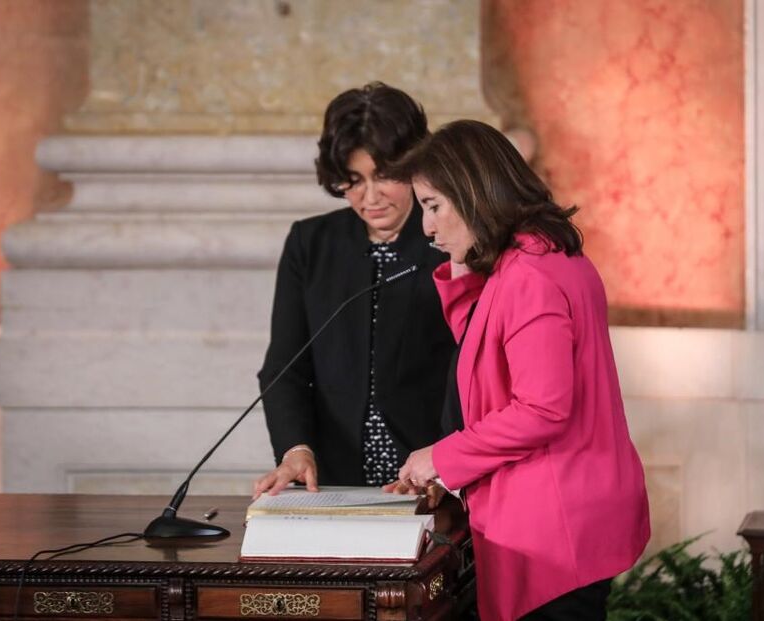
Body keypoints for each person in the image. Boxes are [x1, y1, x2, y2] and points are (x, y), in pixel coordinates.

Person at [389, 120, 650, 620]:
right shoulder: (537, 259)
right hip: (564, 511)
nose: (426, 227)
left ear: (472, 192)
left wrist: (440, 458)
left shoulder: (529, 275)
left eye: (433, 205)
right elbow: (487, 349)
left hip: (553, 525)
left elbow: (542, 409)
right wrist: (466, 261)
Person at [253, 83, 455, 497]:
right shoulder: (310, 242)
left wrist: (447, 466)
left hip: (432, 480)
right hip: (334, 480)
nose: (370, 198)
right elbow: (284, 368)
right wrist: (296, 448)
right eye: (354, 181)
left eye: (384, 177)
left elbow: (472, 371)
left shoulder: (452, 239)